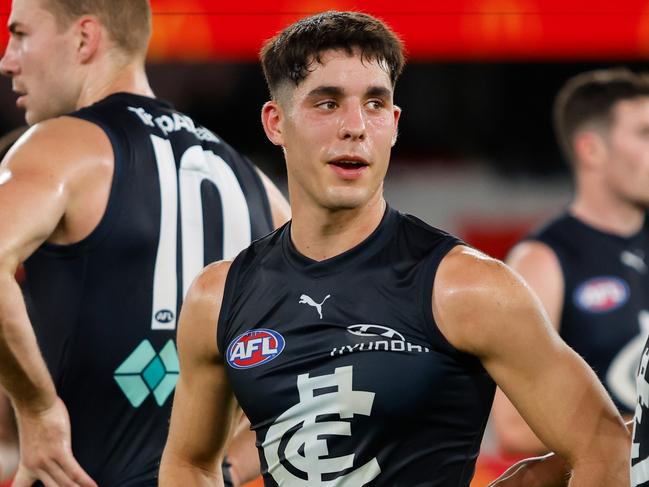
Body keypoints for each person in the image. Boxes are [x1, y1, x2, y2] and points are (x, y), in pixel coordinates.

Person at [158, 11, 630, 487]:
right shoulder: (217, 297)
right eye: (327, 103)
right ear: (275, 122)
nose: (356, 127)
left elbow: (602, 445)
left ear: (395, 123)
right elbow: (190, 465)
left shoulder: (468, 287)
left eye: (375, 104)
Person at [0, 0, 290, 485]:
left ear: (84, 38)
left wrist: (36, 410)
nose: (8, 58)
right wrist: (221, 470)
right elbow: (321, 366)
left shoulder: (63, 145)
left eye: (21, 34)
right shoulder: (257, 186)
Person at [491, 69, 649, 458]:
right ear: (591, 149)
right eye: (645, 134)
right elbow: (513, 426)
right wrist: (638, 432)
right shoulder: (542, 261)